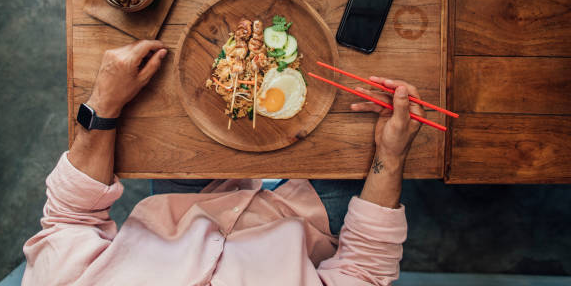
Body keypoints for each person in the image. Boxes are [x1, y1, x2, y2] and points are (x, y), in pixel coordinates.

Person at [22, 39, 425, 285]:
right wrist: (390, 158)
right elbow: (364, 272)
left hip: (186, 202)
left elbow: (70, 219)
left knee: (185, 64)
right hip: (309, 221)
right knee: (372, 85)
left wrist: (104, 102)